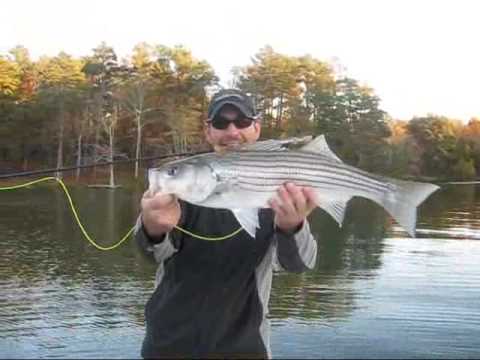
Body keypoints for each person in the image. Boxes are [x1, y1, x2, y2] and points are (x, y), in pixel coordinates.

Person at [135, 88, 318, 359]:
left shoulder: (277, 192)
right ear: (208, 132)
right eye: (221, 123)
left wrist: (292, 226)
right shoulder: (178, 192)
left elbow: (299, 265)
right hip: (168, 346)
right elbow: (151, 254)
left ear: (257, 128)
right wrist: (153, 228)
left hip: (245, 348)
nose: (232, 132)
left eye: (242, 122)